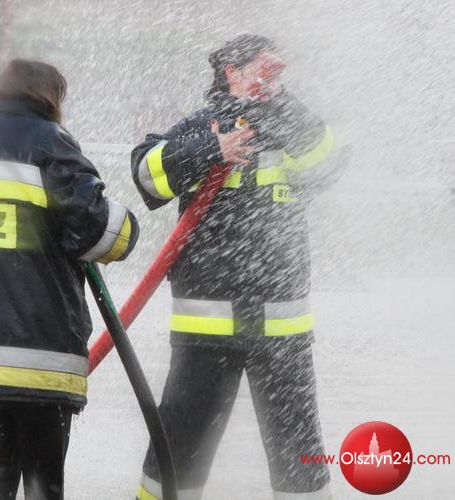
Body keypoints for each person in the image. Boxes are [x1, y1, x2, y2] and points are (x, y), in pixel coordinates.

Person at [131, 35, 340, 500]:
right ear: (232, 72)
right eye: (261, 69)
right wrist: (210, 148)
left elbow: (329, 162)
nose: (272, 78)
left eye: (276, 71)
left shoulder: (291, 124)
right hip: (206, 328)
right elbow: (145, 175)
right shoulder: (201, 125)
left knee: (299, 457)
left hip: (282, 329)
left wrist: (282, 103)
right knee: (179, 451)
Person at [0, 59, 138, 500]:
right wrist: (129, 226)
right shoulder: (48, 142)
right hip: (37, 352)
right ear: (51, 97)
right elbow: (97, 231)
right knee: (44, 484)